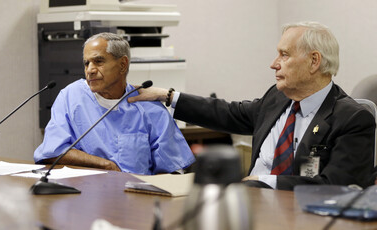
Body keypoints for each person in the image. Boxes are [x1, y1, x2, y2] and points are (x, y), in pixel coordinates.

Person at [128, 21, 375, 190]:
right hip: (247, 202)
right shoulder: (277, 98)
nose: (274, 63)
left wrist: (263, 182)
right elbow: (228, 113)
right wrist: (168, 96)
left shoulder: (352, 118)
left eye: (284, 55)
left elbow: (339, 186)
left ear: (314, 61)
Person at [34, 32, 195, 175]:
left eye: (98, 61)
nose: (90, 70)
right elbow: (52, 151)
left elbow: (172, 171)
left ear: (122, 65)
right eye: (86, 63)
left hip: (136, 200)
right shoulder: (71, 97)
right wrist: (106, 165)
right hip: (83, 196)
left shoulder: (150, 109)